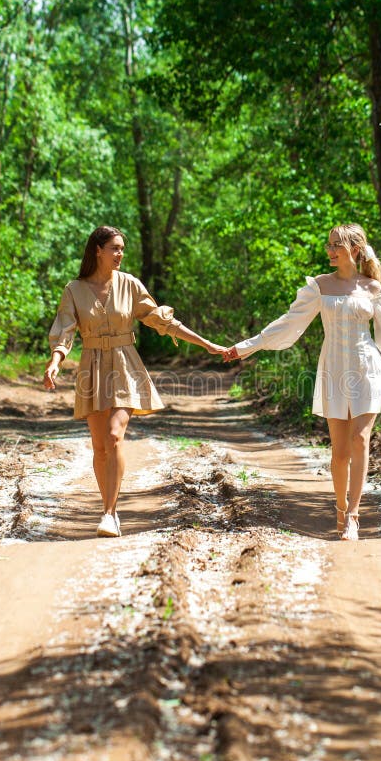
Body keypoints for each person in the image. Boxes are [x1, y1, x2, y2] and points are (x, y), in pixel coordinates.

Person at [223, 223, 381, 540]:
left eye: (337, 245)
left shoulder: (372, 289)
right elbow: (286, 324)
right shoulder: (319, 286)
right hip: (334, 369)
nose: (330, 250)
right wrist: (246, 347)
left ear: (355, 250)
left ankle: (353, 516)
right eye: (329, 245)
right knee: (339, 453)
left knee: (361, 440)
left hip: (367, 368)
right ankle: (339, 506)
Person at [44, 225, 227, 537]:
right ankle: (107, 505)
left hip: (125, 364)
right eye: (114, 248)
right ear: (97, 250)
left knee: (115, 436)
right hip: (92, 366)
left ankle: (109, 513)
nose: (120, 254)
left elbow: (161, 320)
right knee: (100, 446)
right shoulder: (74, 289)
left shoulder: (129, 284)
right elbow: (64, 329)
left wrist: (206, 344)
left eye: (122, 248)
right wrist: (55, 361)